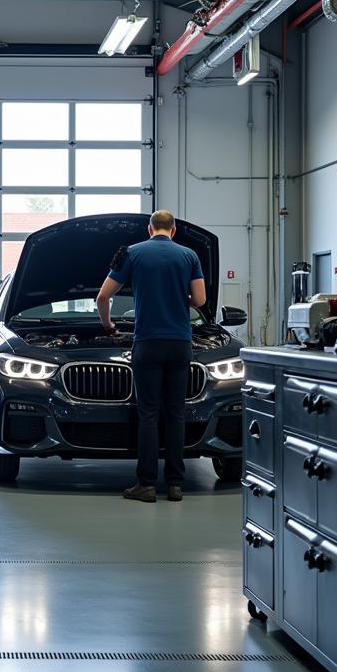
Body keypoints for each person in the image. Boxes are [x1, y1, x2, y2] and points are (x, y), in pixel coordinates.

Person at [96, 210, 207, 504]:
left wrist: (109, 325)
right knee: (175, 413)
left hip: (147, 343)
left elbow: (102, 297)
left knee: (147, 413)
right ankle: (175, 484)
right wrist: (175, 295)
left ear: (149, 229)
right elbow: (200, 300)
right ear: (173, 231)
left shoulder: (132, 253)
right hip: (180, 344)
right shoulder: (189, 256)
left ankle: (145, 484)